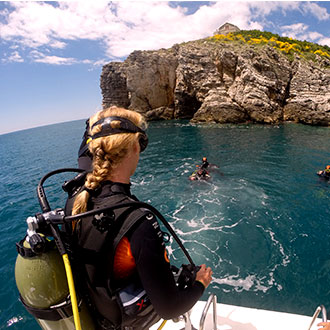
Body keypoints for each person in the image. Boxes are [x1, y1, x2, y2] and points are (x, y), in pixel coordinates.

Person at [68, 106, 213, 329]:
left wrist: (97, 125)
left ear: (94, 150)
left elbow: (83, 159)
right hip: (123, 321)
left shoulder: (77, 199)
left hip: (94, 314)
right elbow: (170, 308)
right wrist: (199, 284)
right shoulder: (136, 222)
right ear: (136, 146)